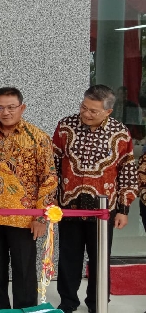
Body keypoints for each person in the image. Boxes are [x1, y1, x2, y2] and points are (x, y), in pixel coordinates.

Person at [0, 87, 57, 310]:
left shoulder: (38, 138)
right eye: (0, 107)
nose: (5, 112)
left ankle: (26, 309)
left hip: (25, 218)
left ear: (22, 108)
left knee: (24, 269)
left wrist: (41, 217)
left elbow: (48, 178)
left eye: (11, 107)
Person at [54, 84, 139, 313]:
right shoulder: (65, 126)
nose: (86, 113)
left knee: (100, 260)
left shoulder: (120, 133)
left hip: (104, 208)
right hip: (69, 206)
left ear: (108, 111)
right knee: (68, 259)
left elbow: (127, 171)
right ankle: (67, 303)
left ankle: (97, 303)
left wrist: (123, 208)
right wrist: (51, 201)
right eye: (84, 107)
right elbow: (53, 165)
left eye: (93, 111)